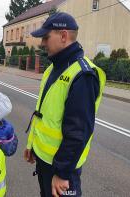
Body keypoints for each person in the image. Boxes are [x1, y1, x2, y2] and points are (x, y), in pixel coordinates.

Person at [24, 12, 106, 197]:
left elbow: (78, 132)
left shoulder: (83, 75)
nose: (42, 43)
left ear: (63, 36)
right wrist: (33, 146)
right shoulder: (54, 67)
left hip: (61, 169)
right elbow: (42, 113)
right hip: (45, 161)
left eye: (46, 37)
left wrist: (62, 173)